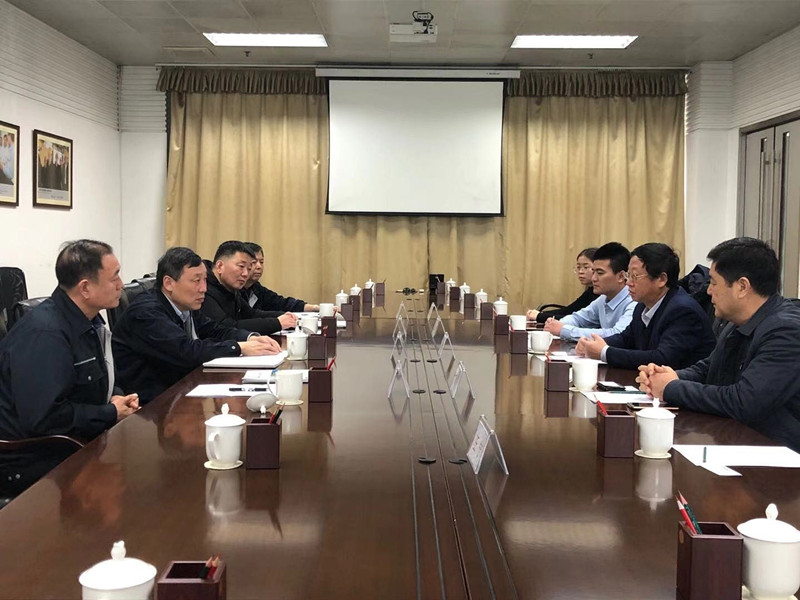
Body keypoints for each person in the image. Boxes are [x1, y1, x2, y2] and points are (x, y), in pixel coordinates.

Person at [0, 240, 139, 496]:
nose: (121, 284)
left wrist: (115, 396)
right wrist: (109, 412)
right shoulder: (45, 334)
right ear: (85, 288)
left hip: (77, 441)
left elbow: (98, 380)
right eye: (114, 277)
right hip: (34, 458)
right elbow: (44, 419)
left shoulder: (89, 322)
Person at [637, 237, 800, 451]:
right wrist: (669, 375)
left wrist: (670, 388)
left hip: (778, 454)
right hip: (736, 440)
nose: (708, 291)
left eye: (714, 283)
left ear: (742, 287)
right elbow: (709, 368)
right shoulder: (736, 321)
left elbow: (744, 402)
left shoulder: (787, 331)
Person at [112, 247, 282, 404]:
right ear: (169, 283)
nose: (203, 288)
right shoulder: (146, 313)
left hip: (180, 391)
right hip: (150, 406)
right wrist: (239, 347)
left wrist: (250, 338)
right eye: (196, 281)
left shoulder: (184, 304)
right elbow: (186, 351)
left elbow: (214, 329)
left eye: (205, 280)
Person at [576, 242, 715, 370]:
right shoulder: (642, 306)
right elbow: (626, 339)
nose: (628, 283)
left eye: (635, 276)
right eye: (628, 275)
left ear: (661, 279)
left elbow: (663, 359)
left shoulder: (683, 311)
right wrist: (594, 343)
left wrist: (604, 352)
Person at [543, 242, 635, 341]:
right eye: (593, 272)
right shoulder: (603, 299)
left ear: (621, 276)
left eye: (600, 273)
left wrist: (564, 330)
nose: (593, 278)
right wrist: (558, 324)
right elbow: (578, 318)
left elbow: (616, 334)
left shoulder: (633, 302)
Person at [200, 241, 297, 334]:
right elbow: (226, 327)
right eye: (241, 266)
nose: (246, 274)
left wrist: (287, 316)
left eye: (249, 269)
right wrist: (277, 323)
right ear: (220, 266)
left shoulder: (230, 287)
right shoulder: (203, 289)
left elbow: (250, 314)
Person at [243, 242, 320, 312]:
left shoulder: (256, 288)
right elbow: (251, 316)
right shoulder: (237, 290)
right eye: (254, 262)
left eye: (261, 262)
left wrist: (316, 308)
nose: (259, 266)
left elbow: (281, 303)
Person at [527, 248, 598, 323]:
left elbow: (579, 319)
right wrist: (540, 314)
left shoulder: (601, 295)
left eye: (586, 267)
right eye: (578, 267)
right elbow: (569, 310)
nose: (580, 272)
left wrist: (539, 316)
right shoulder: (590, 291)